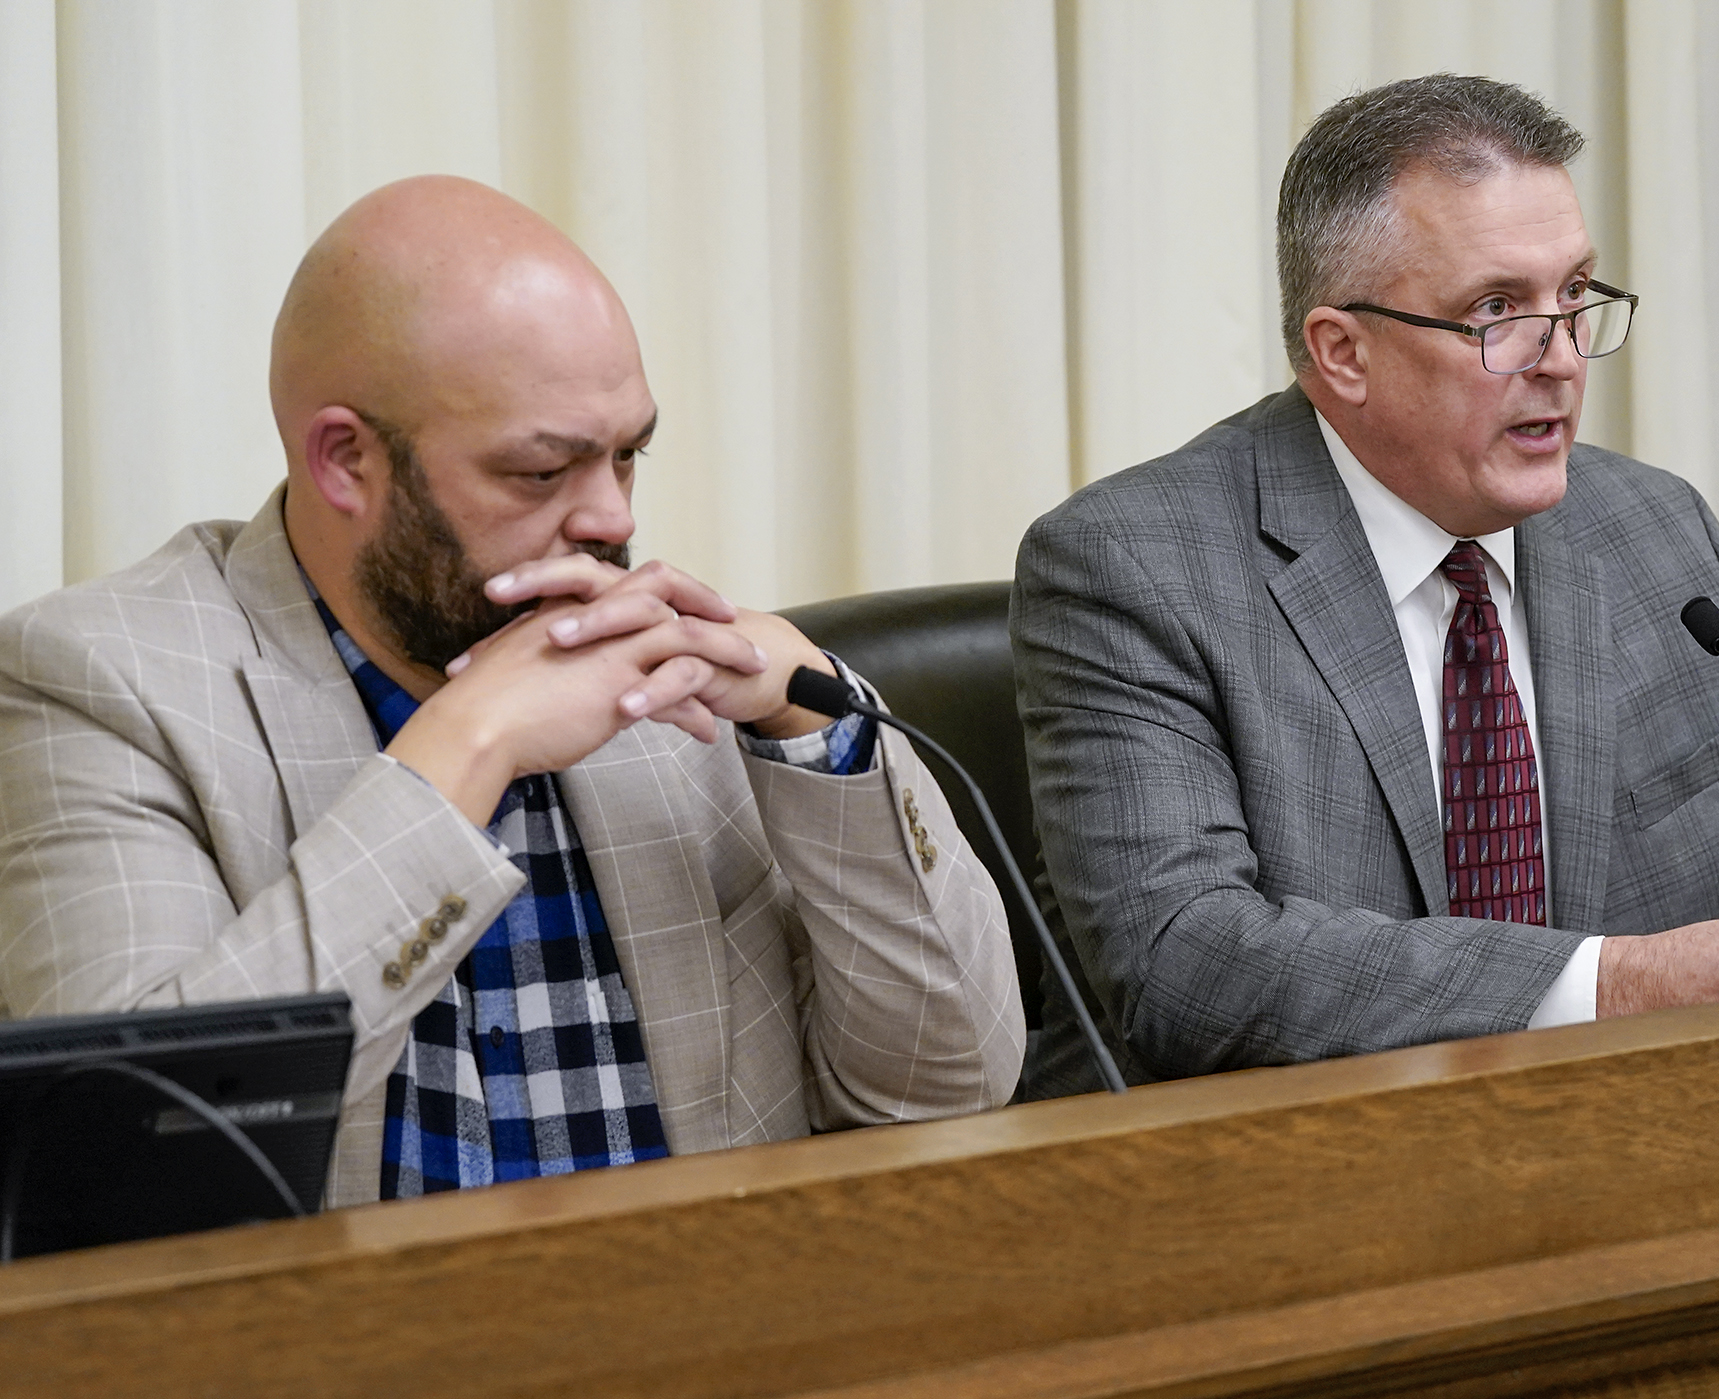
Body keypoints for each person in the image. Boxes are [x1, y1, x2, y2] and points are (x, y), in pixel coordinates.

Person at [1012, 74, 1719, 1097]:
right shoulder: (1138, 566)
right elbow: (1185, 960)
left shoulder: (1649, 529)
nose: (1564, 357)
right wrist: (1612, 985)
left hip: (1637, 1156)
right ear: (1341, 351)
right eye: (1497, 309)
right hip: (1276, 1190)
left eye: (1575, 294)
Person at [0, 176, 1022, 1204]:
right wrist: (469, 745)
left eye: (630, 456)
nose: (608, 518)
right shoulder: (94, 680)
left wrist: (811, 726)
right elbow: (129, 1167)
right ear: (345, 460)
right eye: (542, 473)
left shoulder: (674, 683)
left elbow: (949, 1088)